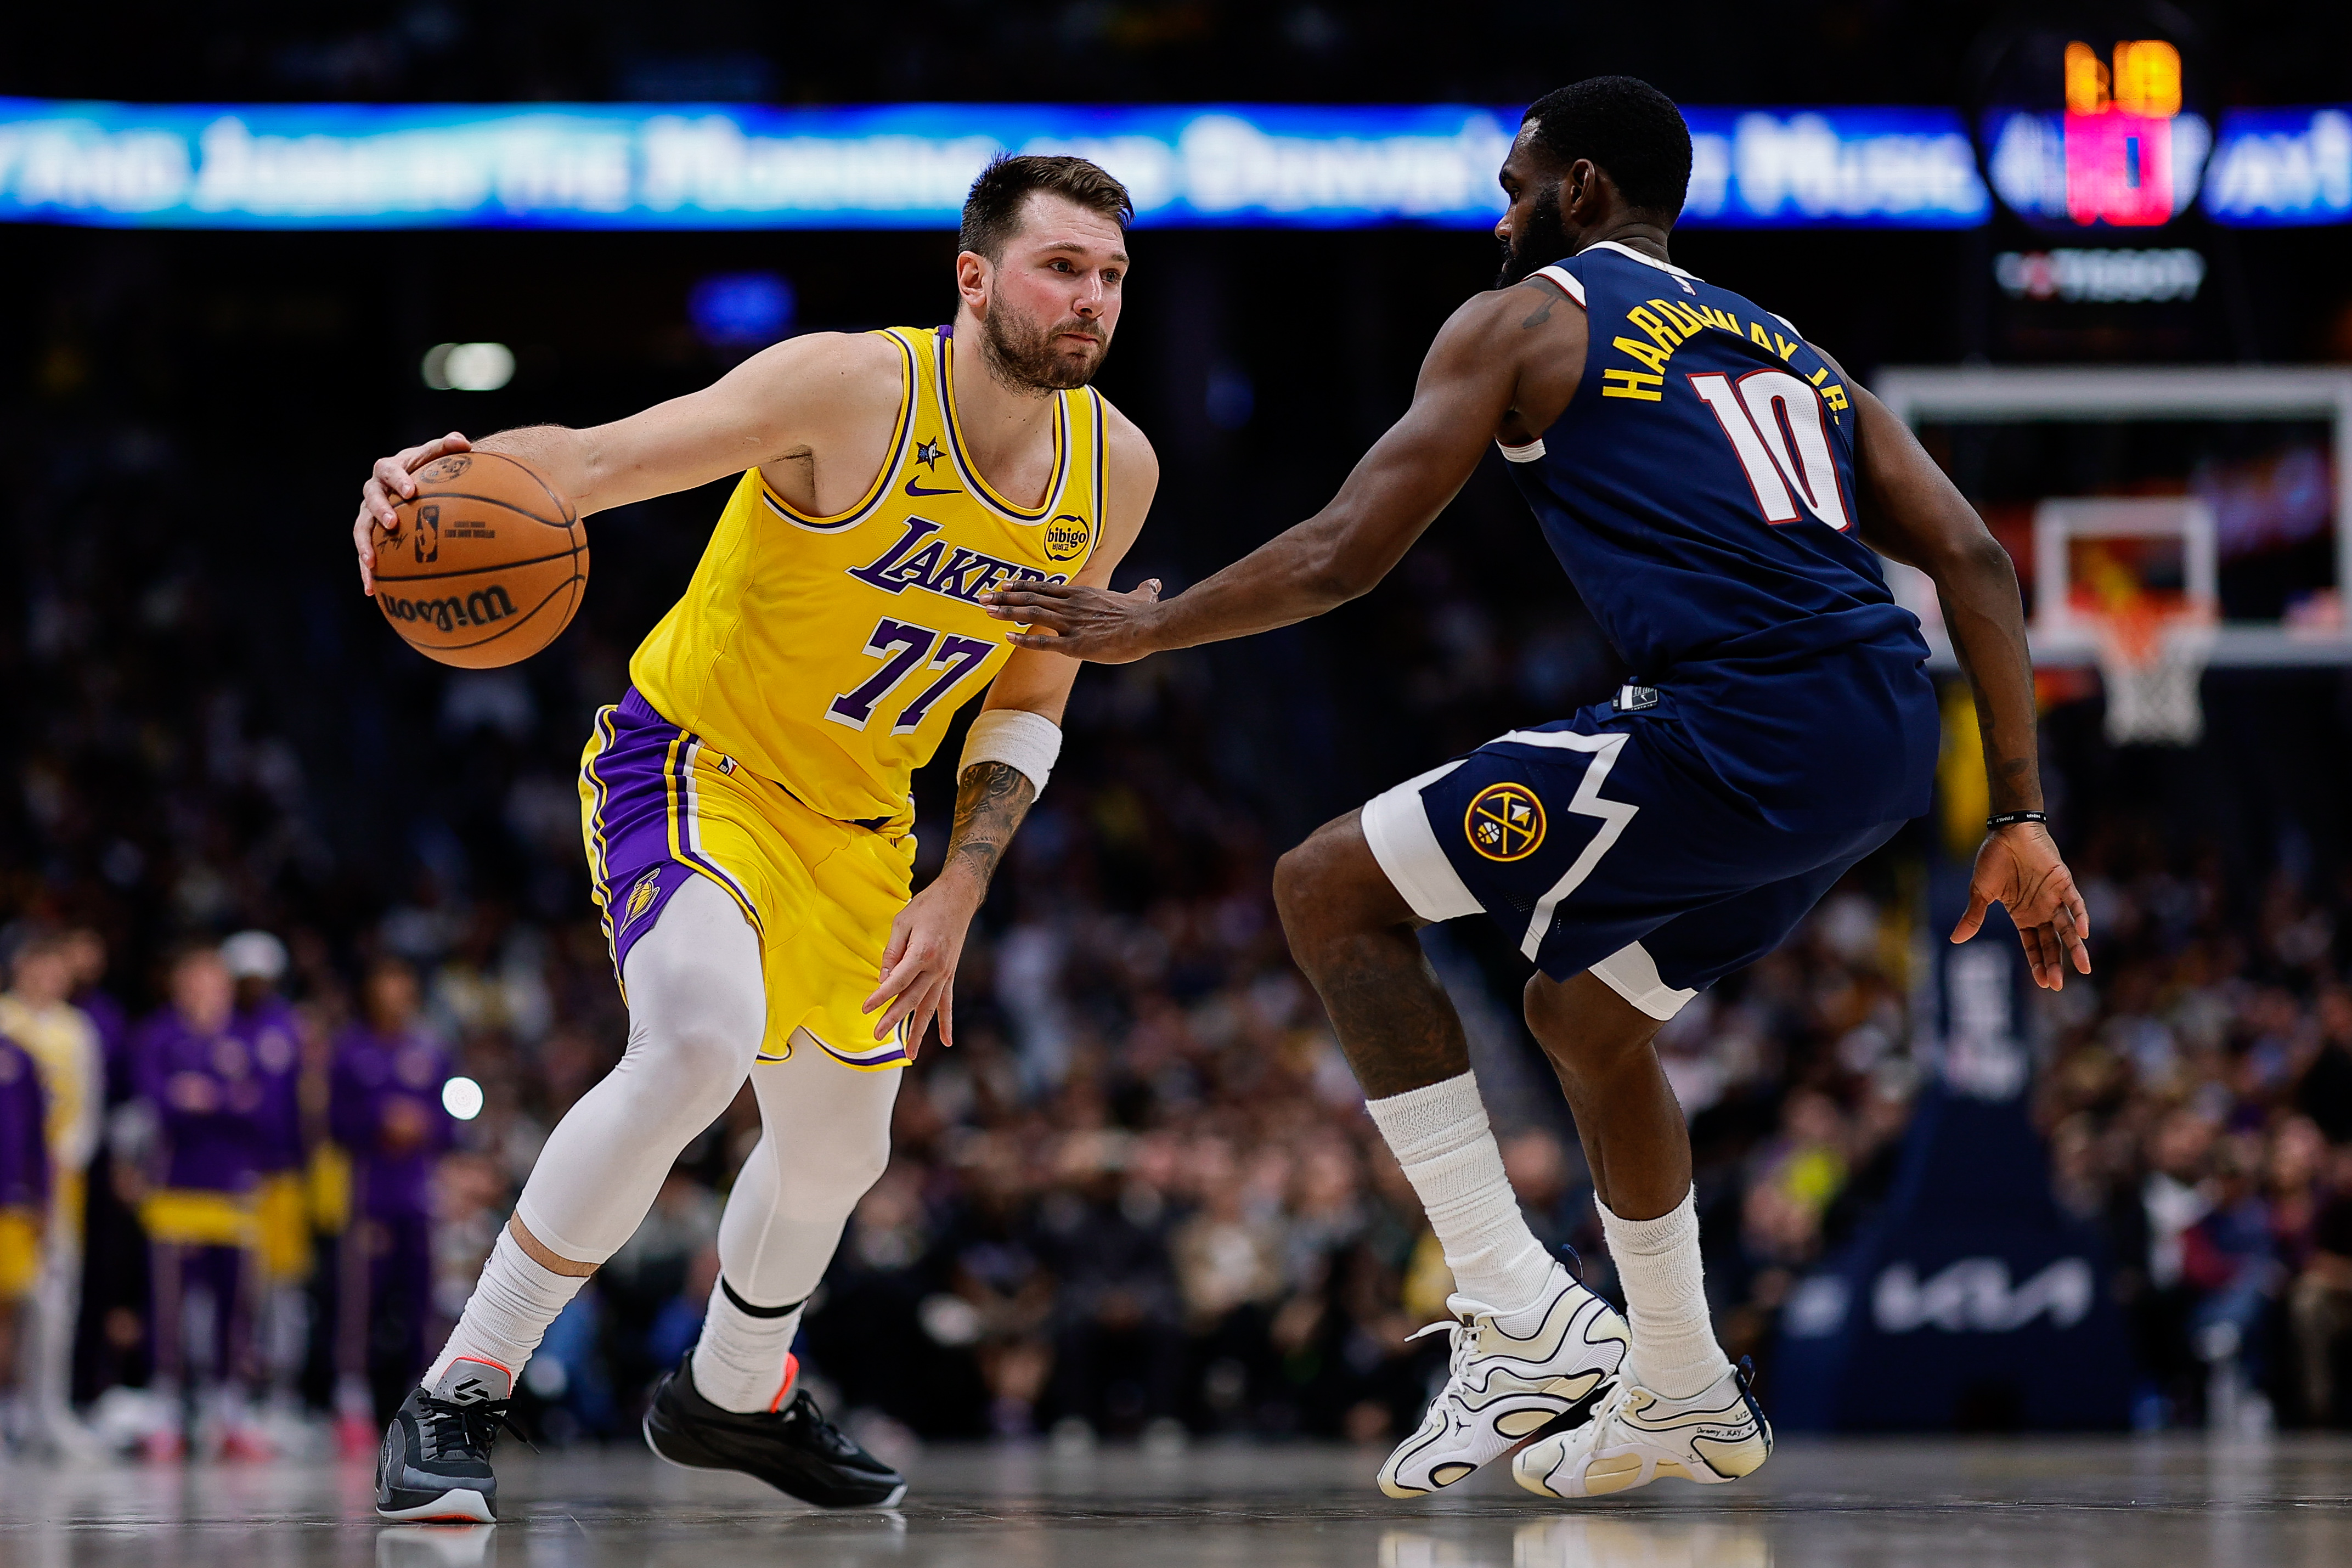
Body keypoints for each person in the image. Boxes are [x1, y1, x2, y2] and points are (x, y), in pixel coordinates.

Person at [986, 76, 2090, 1501]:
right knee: (1581, 1015)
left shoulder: (1526, 317)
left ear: (1578, 189)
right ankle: (1678, 1376)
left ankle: (1511, 1303)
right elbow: (1977, 562)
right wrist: (2017, 814)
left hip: (1740, 721)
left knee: (1324, 885)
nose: (1499, 213)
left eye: (1514, 186)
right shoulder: (1791, 353)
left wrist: (1152, 627)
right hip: (1879, 740)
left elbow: (1343, 553)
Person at [348, 154, 1159, 1522]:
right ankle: (463, 1386)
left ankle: (732, 1390)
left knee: (840, 1156)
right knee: (696, 1040)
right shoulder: (850, 388)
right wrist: (438, 478)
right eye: (1061, 268)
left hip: (864, 822)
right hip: (697, 766)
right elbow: (593, 460)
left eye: (1113, 277)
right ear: (975, 278)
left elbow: (1029, 698)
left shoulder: (1115, 470)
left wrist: (959, 886)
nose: (1091, 299)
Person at [129, 943, 272, 1458]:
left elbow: (263, 1108)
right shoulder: (158, 1035)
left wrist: (205, 1097)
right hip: (174, 1191)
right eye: (194, 984)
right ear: (178, 987)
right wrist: (219, 1099)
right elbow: (157, 1101)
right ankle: (166, 1406)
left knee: (235, 1303)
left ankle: (230, 1408)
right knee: (168, 1307)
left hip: (232, 1192)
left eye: (213, 984)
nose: (204, 994)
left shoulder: (247, 1040)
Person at [329, 957, 456, 1428]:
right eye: (386, 984)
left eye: (402, 985)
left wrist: (425, 1124)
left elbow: (451, 1122)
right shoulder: (351, 1050)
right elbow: (335, 1124)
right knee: (361, 1302)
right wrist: (379, 1121)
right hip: (369, 1197)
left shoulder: (432, 1050)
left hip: (419, 1197)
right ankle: (352, 1399)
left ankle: (424, 1399)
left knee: (423, 1302)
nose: (395, 995)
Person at [0, 928, 106, 1456]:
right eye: (35, 969)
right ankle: (11, 1411)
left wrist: (64, 1157)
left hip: (59, 1188)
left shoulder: (76, 1029)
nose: (45, 980)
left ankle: (49, 1410)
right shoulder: (4, 1021)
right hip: (8, 1184)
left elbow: (88, 1107)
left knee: (57, 1302)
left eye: (53, 971)